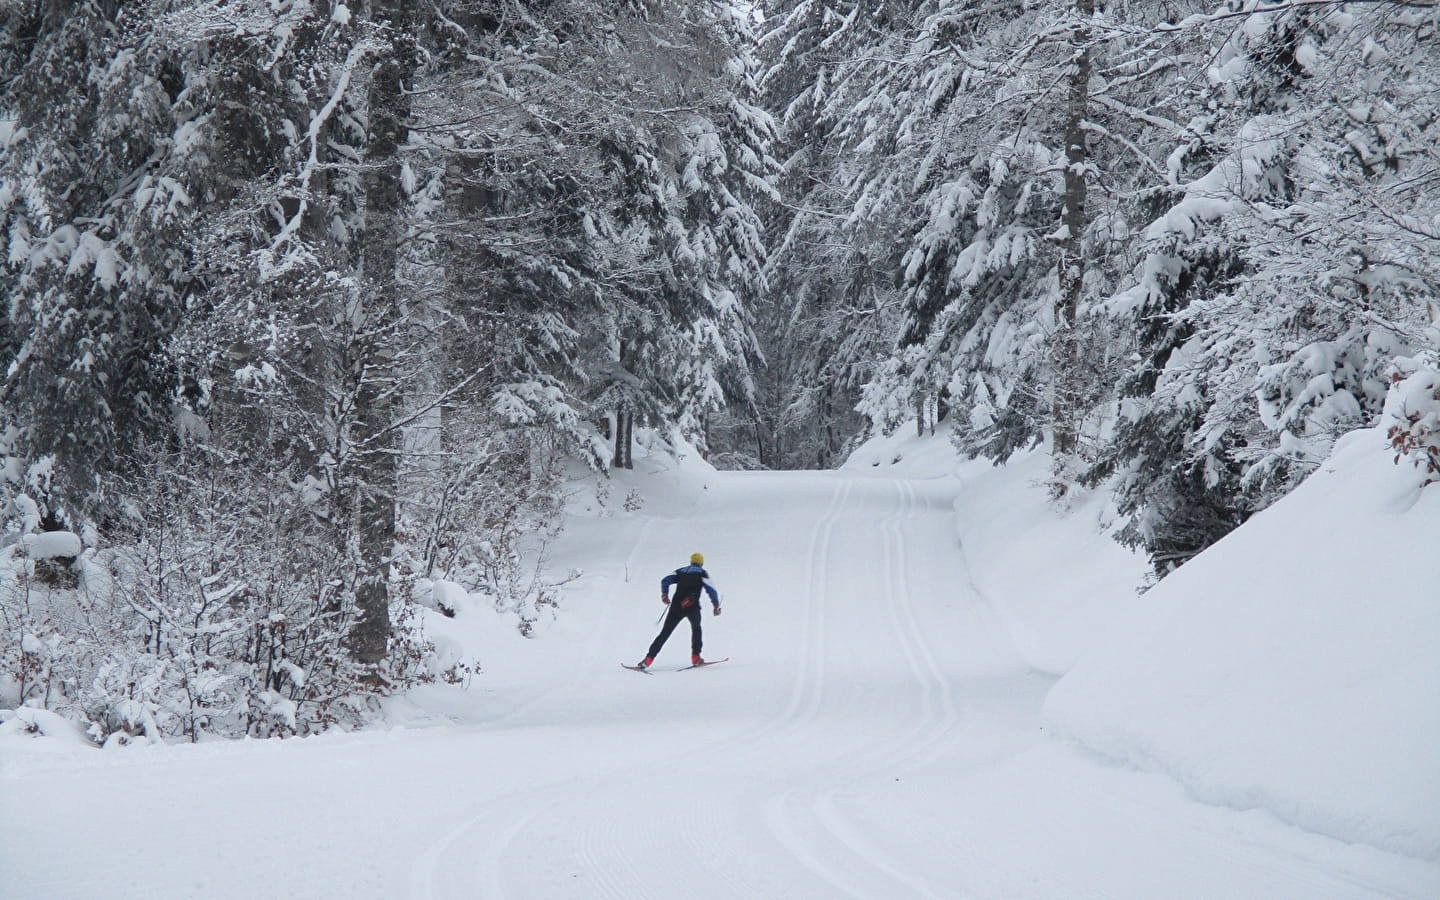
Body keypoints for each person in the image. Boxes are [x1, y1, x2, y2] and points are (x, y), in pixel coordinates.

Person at [635, 552, 721, 669]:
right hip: (692, 607)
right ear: (701, 563)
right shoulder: (702, 573)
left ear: (691, 562)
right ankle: (696, 658)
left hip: (676, 607)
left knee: (665, 633)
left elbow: (665, 580)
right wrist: (716, 605)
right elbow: (711, 589)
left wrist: (664, 594)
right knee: (696, 629)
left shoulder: (680, 571)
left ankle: (648, 659)